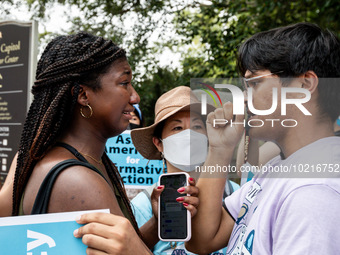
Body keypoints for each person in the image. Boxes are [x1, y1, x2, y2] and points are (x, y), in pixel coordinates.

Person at [11, 32, 197, 254]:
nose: (135, 97)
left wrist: (157, 224)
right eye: (124, 83)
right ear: (83, 95)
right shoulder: (80, 181)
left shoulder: (34, 156)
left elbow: (122, 248)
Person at [187, 22, 340, 254]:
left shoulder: (314, 191)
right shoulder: (278, 167)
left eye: (254, 83)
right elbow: (202, 240)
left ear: (304, 84)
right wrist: (219, 150)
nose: (244, 99)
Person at [130, 86, 239, 254]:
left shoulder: (235, 194)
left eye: (196, 127)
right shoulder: (144, 205)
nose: (189, 135)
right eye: (177, 128)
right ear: (158, 143)